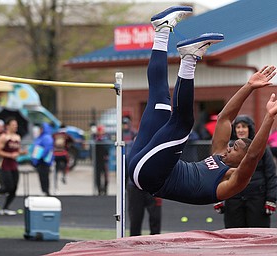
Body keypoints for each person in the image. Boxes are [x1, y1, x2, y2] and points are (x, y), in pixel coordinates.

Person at [127, 6, 277, 205]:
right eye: (233, 144)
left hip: (152, 176)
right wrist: (248, 86)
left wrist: (269, 117)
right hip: (143, 162)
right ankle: (162, 30)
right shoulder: (218, 154)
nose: (230, 148)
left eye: (235, 149)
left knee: (183, 124)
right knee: (160, 100)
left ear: (242, 161)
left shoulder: (232, 180)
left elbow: (253, 156)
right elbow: (225, 118)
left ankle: (189, 59)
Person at [213, 115, 277, 227]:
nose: (241, 130)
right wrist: (216, 198)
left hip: (257, 198)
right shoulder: (229, 148)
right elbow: (219, 173)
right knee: (233, 235)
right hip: (233, 198)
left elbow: (271, 174)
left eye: (244, 126)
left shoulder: (261, 148)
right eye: (238, 127)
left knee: (257, 235)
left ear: (249, 129)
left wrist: (271, 199)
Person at [0, 117, 27, 215]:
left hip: (13, 164)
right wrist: (10, 155)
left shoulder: (17, 137)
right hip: (4, 164)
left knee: (14, 188)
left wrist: (22, 153)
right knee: (8, 187)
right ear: (8, 126)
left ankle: (5, 208)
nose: (15, 126)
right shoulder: (3, 137)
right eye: (13, 125)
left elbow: (16, 151)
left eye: (16, 125)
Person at [31, 123, 54, 196]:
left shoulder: (46, 137)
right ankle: (44, 191)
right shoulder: (42, 137)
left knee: (44, 176)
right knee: (42, 176)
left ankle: (46, 191)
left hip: (43, 161)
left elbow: (47, 148)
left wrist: (41, 157)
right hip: (40, 160)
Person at [94, 125, 110, 196]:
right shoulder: (95, 138)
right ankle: (99, 190)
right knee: (98, 175)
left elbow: (108, 146)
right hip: (97, 159)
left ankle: (105, 189)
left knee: (106, 175)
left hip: (104, 159)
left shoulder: (106, 138)